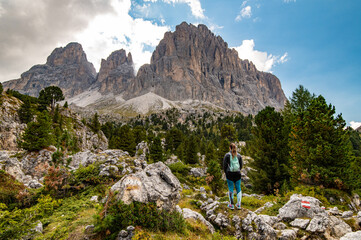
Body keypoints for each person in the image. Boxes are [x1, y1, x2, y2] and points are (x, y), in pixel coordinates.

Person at [223, 143, 243, 210]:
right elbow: (241, 165)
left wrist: (226, 173)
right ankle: (239, 204)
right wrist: (238, 171)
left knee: (231, 188)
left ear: (229, 148)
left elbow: (224, 166)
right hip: (237, 174)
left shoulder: (227, 155)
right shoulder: (239, 155)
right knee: (238, 188)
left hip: (229, 174)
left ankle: (231, 204)